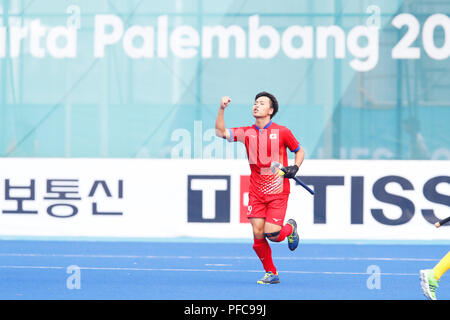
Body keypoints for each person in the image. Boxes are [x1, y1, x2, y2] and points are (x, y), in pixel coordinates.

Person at [215, 92, 304, 284]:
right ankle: (271, 273)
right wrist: (221, 109)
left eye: (262, 103)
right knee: (257, 233)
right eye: (255, 103)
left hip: (278, 191)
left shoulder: (283, 132)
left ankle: (290, 228)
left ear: (270, 111)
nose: (256, 105)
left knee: (272, 234)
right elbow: (220, 132)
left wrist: (294, 167)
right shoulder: (246, 132)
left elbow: (299, 150)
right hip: (256, 191)